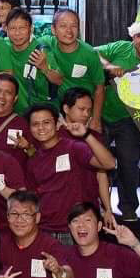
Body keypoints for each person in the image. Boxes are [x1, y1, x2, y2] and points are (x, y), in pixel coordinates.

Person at [96, 0, 140, 221]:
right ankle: (95, 206)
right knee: (96, 161)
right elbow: (90, 52)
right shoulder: (120, 48)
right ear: (132, 36)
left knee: (129, 163)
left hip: (132, 121)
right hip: (102, 114)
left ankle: (128, 207)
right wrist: (108, 66)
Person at [24, 103, 116, 243]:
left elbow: (109, 163)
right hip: (44, 230)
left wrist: (86, 135)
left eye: (46, 122)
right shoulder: (33, 160)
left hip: (75, 231)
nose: (41, 128)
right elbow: (32, 199)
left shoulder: (74, 148)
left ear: (57, 125)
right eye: (35, 124)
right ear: (30, 129)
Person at [39, 9, 105, 128]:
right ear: (53, 29)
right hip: (60, 111)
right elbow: (31, 40)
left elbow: (99, 89)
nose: (69, 31)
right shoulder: (47, 43)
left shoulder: (89, 54)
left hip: (84, 113)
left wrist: (96, 120)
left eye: (74, 26)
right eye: (63, 26)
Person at [60, 88, 114, 226]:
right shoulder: (54, 136)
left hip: (89, 206)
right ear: (66, 108)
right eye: (81, 109)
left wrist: (108, 209)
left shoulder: (94, 137)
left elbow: (102, 175)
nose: (86, 114)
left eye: (89, 110)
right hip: (59, 208)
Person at [2, 8, 52, 114]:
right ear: (6, 30)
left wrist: (45, 68)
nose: (17, 33)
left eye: (22, 28)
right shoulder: (3, 47)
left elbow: (59, 80)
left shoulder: (40, 50)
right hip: (10, 113)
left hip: (37, 112)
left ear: (31, 29)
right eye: (12, 28)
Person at [0, 73, 33, 169]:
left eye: (8, 93)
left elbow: (39, 158)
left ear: (15, 98)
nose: (1, 96)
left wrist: (27, 147)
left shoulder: (24, 125)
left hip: (12, 178)